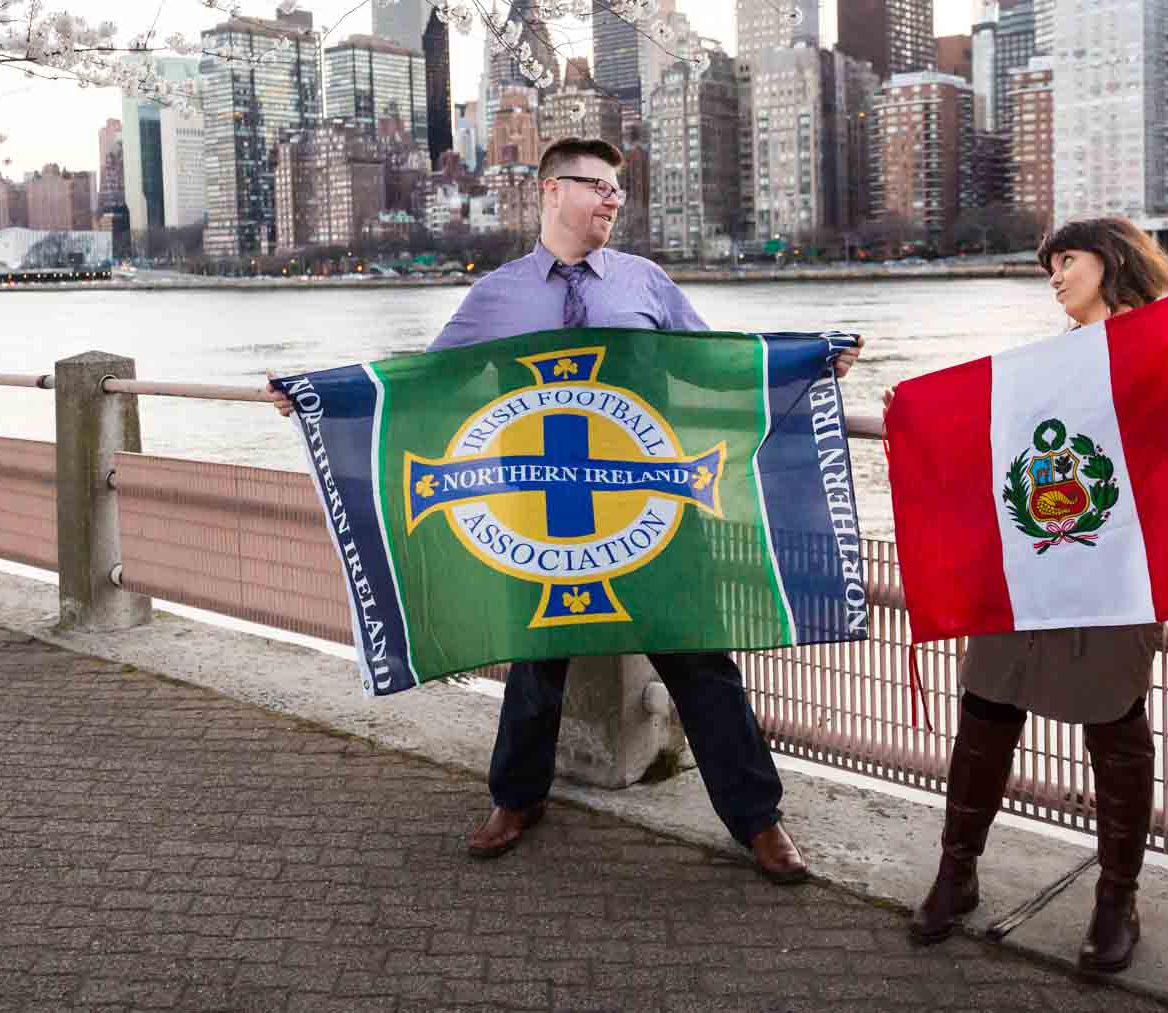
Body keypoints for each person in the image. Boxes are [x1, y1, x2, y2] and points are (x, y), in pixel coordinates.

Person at [276, 135, 859, 884]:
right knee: (536, 661)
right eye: (597, 186)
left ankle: (758, 819)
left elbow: (720, 368)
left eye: (618, 189)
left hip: (655, 502)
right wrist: (317, 395)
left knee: (700, 660)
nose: (613, 199)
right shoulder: (498, 295)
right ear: (551, 191)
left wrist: (811, 360)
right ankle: (516, 798)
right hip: (538, 515)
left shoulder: (646, 283)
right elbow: (422, 382)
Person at [883, 216, 1168, 973]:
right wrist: (920, 411)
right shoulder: (1057, 361)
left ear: (1111, 259)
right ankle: (956, 870)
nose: (1055, 275)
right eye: (1048, 266)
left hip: (1116, 571)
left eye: (1067, 259)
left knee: (1114, 723)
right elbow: (999, 443)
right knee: (986, 705)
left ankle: (1116, 897)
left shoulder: (1165, 343)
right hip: (1031, 568)